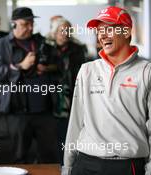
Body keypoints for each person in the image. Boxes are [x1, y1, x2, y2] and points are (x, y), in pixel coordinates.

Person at [62, 6, 151, 175]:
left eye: (109, 29)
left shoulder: (150, 71)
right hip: (85, 163)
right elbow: (76, 121)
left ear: (127, 32)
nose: (102, 35)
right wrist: (68, 164)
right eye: (99, 31)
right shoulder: (87, 70)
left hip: (127, 166)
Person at [0, 7, 59, 163]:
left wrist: (46, 68)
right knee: (19, 157)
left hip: (44, 110)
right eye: (26, 24)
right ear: (14, 24)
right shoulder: (3, 44)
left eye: (32, 23)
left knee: (49, 156)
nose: (30, 27)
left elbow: (59, 65)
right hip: (17, 111)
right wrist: (20, 66)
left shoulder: (40, 42)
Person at [51, 17, 87, 165]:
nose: (64, 33)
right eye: (61, 30)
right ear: (54, 32)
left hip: (72, 95)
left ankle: (69, 163)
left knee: (70, 131)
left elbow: (82, 70)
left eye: (67, 30)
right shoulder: (47, 48)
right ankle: (56, 162)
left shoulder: (78, 48)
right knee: (53, 133)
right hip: (51, 96)